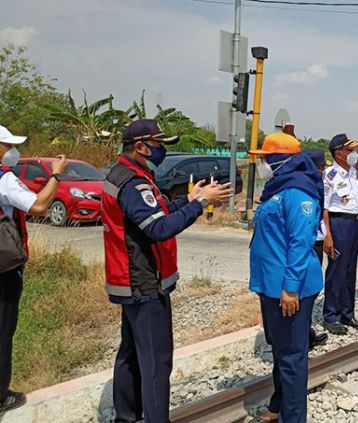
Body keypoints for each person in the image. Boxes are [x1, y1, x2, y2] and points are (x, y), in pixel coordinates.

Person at [102, 119, 232, 422]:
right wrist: (199, 205)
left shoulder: (129, 174)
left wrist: (186, 200)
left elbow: (153, 214)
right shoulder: (133, 183)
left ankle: (127, 415)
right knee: (156, 363)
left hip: (130, 280)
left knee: (131, 354)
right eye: (159, 145)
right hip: (144, 284)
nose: (162, 151)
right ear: (140, 147)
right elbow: (159, 228)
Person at [249, 133, 324, 423]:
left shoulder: (298, 192)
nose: (262, 163)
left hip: (290, 288)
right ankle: (278, 405)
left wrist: (290, 288)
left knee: (292, 358)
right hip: (271, 285)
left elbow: (301, 242)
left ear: (280, 160)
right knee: (281, 352)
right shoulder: (277, 187)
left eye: (265, 158)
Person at [0, 125, 67, 413]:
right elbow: (39, 206)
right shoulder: (4, 180)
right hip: (3, 270)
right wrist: (56, 174)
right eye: (8, 146)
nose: (14, 152)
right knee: (2, 331)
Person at [321, 134, 358, 335]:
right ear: (339, 153)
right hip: (338, 223)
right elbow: (324, 207)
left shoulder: (352, 172)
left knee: (350, 270)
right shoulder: (330, 175)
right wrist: (328, 235)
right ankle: (331, 315)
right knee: (337, 270)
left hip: (354, 223)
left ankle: (347, 313)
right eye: (350, 150)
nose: (354, 154)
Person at [303, 148, 330, 350]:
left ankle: (306, 331)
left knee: (311, 289)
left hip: (317, 240)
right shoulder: (304, 185)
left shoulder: (314, 182)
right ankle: (303, 335)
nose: (322, 170)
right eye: (321, 166)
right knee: (304, 290)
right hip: (307, 242)